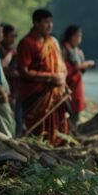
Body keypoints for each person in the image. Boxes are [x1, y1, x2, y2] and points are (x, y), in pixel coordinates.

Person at [17, 8, 69, 146]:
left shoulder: (52, 42)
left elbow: (61, 65)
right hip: (36, 94)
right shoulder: (26, 43)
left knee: (58, 124)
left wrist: (62, 78)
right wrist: (50, 77)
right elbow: (24, 72)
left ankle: (56, 148)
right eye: (46, 22)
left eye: (51, 22)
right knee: (37, 128)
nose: (50, 25)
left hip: (56, 92)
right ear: (35, 23)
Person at [61, 25, 96, 123]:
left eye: (80, 36)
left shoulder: (78, 51)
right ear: (71, 36)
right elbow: (75, 66)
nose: (79, 38)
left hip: (77, 83)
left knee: (76, 107)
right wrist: (88, 64)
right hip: (67, 82)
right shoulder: (64, 49)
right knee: (67, 108)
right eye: (77, 36)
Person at [0, 23, 23, 135]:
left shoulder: (11, 50)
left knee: (17, 114)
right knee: (8, 114)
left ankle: (17, 135)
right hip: (3, 88)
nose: (13, 39)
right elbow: (1, 68)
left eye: (15, 36)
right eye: (11, 36)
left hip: (15, 88)